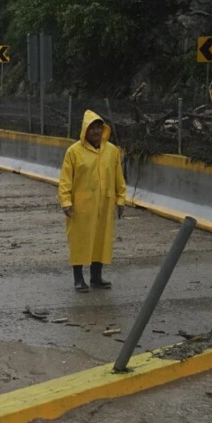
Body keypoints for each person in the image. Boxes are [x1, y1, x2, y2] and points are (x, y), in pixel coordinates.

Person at [58, 110, 126, 292]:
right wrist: (66, 202)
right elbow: (65, 180)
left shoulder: (112, 151)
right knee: (80, 241)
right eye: (92, 128)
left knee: (100, 240)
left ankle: (96, 277)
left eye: (98, 128)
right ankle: (78, 279)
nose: (96, 132)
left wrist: (120, 199)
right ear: (85, 130)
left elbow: (119, 177)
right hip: (81, 206)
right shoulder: (73, 152)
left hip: (104, 204)